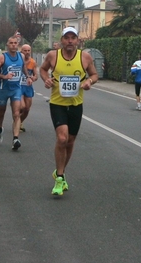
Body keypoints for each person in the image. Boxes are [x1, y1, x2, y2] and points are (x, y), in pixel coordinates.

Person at [40, 26, 98, 196]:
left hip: (76, 104)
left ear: (78, 40)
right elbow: (42, 69)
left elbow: (94, 75)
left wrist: (89, 82)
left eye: (73, 38)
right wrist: (46, 79)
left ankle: (61, 171)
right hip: (57, 103)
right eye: (67, 38)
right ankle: (59, 179)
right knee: (62, 137)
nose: (70, 41)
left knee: (70, 141)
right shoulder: (53, 55)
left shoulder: (85, 57)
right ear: (62, 40)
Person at [0, 36, 32, 150]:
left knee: (16, 113)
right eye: (11, 43)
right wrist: (4, 76)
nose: (14, 45)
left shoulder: (21, 56)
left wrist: (28, 76)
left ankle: (15, 139)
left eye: (15, 43)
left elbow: (23, 67)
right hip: (3, 89)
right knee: (1, 112)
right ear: (7, 45)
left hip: (16, 89)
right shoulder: (2, 57)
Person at [19, 44, 38, 132]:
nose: (27, 52)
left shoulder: (32, 62)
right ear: (21, 51)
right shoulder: (18, 60)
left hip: (28, 87)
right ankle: (17, 122)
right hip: (18, 87)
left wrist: (33, 78)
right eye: (25, 51)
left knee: (27, 109)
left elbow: (36, 75)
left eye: (28, 51)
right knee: (22, 107)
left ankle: (20, 122)